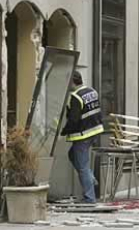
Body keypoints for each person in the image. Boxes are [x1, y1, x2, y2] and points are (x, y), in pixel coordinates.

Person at [61, 70, 104, 203]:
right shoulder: (92, 91)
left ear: (72, 82)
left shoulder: (75, 97)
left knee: (83, 166)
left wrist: (64, 131)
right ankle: (90, 179)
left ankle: (89, 198)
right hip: (95, 131)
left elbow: (74, 120)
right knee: (72, 155)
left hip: (83, 134)